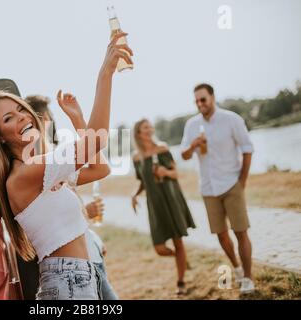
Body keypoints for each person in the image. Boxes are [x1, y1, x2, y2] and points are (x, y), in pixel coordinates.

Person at [0, 32, 133, 300]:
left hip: (78, 277)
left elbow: (100, 169)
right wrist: (105, 74)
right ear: (0, 137)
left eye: (21, 109)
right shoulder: (23, 175)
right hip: (68, 283)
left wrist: (78, 119)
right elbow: (96, 141)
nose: (21, 117)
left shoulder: (41, 171)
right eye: (8, 118)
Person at [26, 93, 119, 300]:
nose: (46, 124)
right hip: (73, 270)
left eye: (46, 118)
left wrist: (93, 238)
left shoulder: (56, 159)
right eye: (40, 119)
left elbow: (101, 169)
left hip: (90, 256)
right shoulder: (33, 168)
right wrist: (87, 212)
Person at [180, 83, 255, 294]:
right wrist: (194, 144)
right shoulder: (191, 125)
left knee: (240, 232)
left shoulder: (231, 119)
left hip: (231, 184)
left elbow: (247, 149)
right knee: (221, 235)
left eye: (203, 99)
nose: (200, 104)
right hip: (207, 188)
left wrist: (242, 181)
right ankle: (238, 269)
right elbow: (184, 155)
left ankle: (249, 278)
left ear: (212, 97)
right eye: (196, 101)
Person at [131, 118, 196, 295]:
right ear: (138, 133)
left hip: (171, 199)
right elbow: (143, 182)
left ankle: (181, 282)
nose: (150, 129)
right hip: (155, 204)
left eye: (150, 126)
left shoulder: (163, 149)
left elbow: (175, 174)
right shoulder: (137, 158)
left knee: (178, 241)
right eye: (145, 127)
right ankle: (180, 260)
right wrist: (135, 195)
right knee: (159, 248)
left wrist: (164, 172)